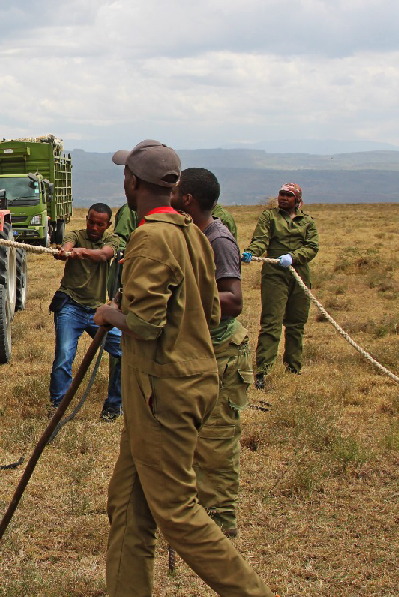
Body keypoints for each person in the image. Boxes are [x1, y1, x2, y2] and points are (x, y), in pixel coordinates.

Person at [94, 140, 269, 596]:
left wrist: (111, 314)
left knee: (176, 511)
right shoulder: (192, 231)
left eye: (126, 177)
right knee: (128, 505)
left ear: (132, 182)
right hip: (176, 382)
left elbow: (145, 325)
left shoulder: (150, 237)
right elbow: (213, 309)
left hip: (161, 390)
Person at [171, 168, 251, 538]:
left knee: (216, 444)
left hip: (223, 354)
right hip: (200, 350)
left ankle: (221, 529)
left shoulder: (218, 239)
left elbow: (233, 300)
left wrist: (181, 297)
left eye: (176, 189)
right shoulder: (190, 234)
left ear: (187, 199)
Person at [49, 202, 123, 421]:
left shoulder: (112, 240)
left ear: (107, 225)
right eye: (91, 221)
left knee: (124, 351)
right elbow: (68, 243)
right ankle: (58, 406)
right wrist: (66, 252)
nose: (94, 227)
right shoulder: (76, 235)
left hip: (98, 311)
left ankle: (113, 406)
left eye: (100, 224)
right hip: (70, 306)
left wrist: (81, 252)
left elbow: (104, 255)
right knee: (64, 356)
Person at [243, 183, 319, 388]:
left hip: (299, 275)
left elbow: (312, 247)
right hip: (275, 275)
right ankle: (262, 372)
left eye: (288, 195)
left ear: (297, 200)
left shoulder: (308, 222)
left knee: (296, 324)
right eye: (281, 194)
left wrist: (293, 257)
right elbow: (261, 240)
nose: (283, 198)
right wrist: (252, 252)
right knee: (271, 323)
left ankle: (293, 369)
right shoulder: (269, 217)